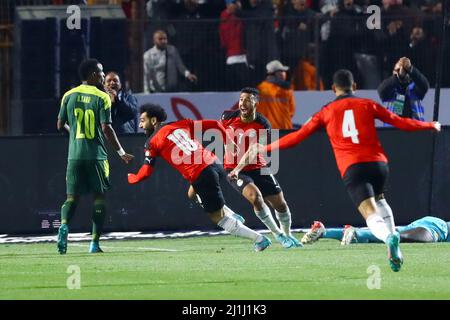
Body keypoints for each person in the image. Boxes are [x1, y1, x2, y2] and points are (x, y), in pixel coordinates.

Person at [232, 69, 440, 272]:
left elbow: (297, 137)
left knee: (370, 212)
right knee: (381, 199)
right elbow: (400, 122)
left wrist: (264, 148)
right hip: (378, 164)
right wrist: (429, 125)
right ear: (355, 87)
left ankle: (389, 237)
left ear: (333, 88)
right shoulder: (368, 104)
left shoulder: (326, 111)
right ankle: (392, 241)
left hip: (353, 166)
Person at [127, 103, 272, 252]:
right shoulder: (181, 123)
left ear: (153, 121)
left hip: (202, 173)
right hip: (215, 163)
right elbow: (215, 124)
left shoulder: (151, 142)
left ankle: (259, 239)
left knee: (218, 218)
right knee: (192, 193)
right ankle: (232, 214)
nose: (140, 125)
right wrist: (228, 141)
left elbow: (145, 172)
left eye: (143, 120)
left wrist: (133, 178)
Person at [189, 87, 302, 248]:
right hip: (233, 169)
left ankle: (288, 233)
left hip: (257, 166)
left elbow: (254, 150)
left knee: (281, 204)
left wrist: (238, 168)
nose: (243, 103)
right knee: (256, 198)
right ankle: (279, 235)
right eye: (241, 99)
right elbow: (216, 130)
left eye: (248, 99)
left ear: (256, 103)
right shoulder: (227, 116)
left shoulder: (263, 124)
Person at [56, 59, 134, 254]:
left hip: (74, 155)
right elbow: (106, 128)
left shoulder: (68, 95)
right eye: (100, 72)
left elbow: (59, 125)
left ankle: (64, 224)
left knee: (71, 198)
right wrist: (121, 152)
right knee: (99, 198)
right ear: (92, 75)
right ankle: (94, 243)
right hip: (96, 155)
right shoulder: (102, 97)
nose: (102, 75)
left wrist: (74, 133)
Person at [302, 216, 450, 244]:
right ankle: (357, 233)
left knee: (383, 235)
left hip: (425, 222)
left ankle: (324, 232)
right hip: (440, 227)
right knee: (399, 238)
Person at [378, 57, 430, 124]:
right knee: (400, 96)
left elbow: (424, 85)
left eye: (406, 71)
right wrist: (398, 77)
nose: (403, 73)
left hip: (416, 131)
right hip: (393, 132)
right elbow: (382, 90)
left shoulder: (414, 90)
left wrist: (411, 69)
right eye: (398, 70)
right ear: (394, 73)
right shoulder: (391, 91)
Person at [256, 60, 296, 129]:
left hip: (266, 129)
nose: (283, 73)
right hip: (284, 129)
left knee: (265, 140)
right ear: (273, 73)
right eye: (280, 71)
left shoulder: (260, 88)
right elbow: (291, 111)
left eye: (284, 71)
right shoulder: (287, 90)